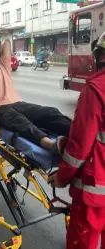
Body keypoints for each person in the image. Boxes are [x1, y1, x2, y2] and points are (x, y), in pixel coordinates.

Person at [47, 32, 105, 249]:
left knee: (84, 241)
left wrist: (62, 177)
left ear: (98, 57)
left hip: (95, 188)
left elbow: (79, 148)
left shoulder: (97, 89)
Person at [0, 40, 71, 154]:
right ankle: (50, 144)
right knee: (21, 121)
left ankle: (79, 132)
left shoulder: (3, 67)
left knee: (49, 112)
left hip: (18, 104)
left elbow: (6, 43)